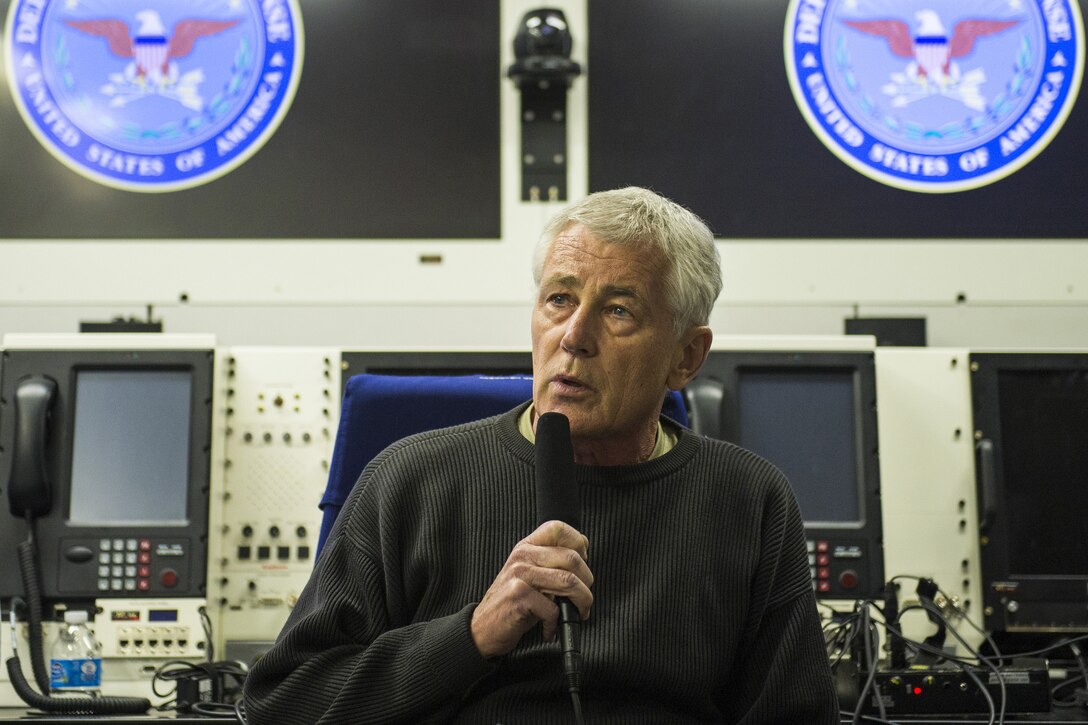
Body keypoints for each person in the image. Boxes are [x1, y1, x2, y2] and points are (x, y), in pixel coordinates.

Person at [243, 187, 839, 723]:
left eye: (619, 310)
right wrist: (471, 636)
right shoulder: (407, 480)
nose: (574, 335)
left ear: (686, 357)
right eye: (559, 299)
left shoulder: (749, 500)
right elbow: (284, 702)